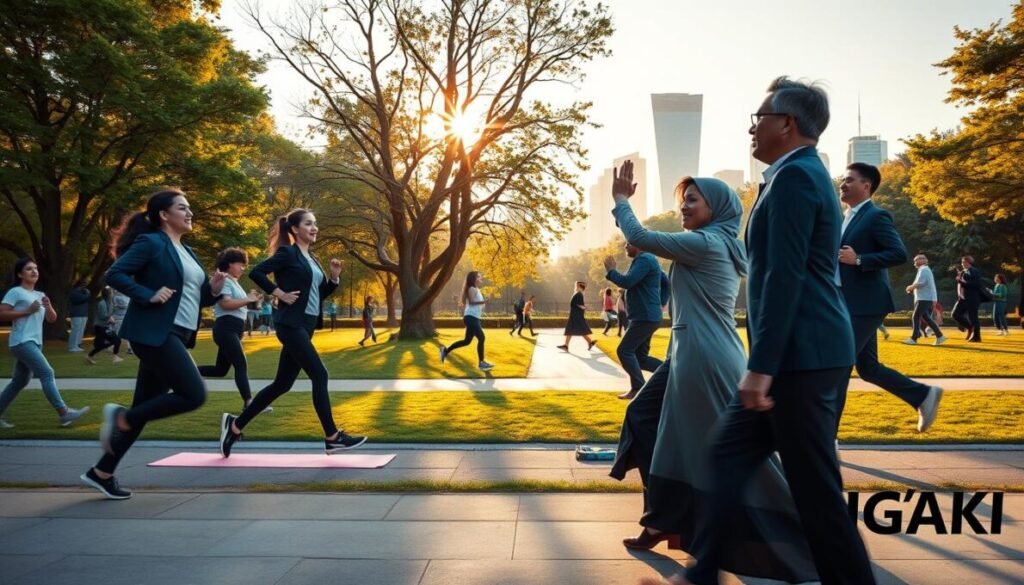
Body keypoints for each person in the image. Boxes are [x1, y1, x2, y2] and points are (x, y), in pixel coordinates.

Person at [643, 78, 877, 585]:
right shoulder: (790, 175)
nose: (753, 127)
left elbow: (784, 279)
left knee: (814, 494)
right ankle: (702, 574)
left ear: (787, 124)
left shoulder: (796, 179)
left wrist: (762, 368)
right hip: (799, 355)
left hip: (803, 358)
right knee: (726, 458)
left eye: (760, 117)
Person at [81, 189, 226, 500]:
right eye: (182, 208)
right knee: (193, 394)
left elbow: (190, 299)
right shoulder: (152, 242)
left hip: (175, 333)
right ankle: (121, 417)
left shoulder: (187, 251)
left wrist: (212, 291)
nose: (190, 213)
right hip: (156, 333)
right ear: (164, 215)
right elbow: (115, 273)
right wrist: (146, 294)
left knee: (147, 406)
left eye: (190, 208)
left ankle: (102, 472)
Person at [219, 208, 364, 458]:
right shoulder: (288, 253)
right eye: (308, 223)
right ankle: (332, 437)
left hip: (305, 325)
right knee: (320, 374)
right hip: (290, 324)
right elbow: (256, 272)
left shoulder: (313, 258)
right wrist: (279, 293)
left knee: (282, 384)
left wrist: (333, 279)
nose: (314, 227)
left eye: (315, 223)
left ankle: (235, 425)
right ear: (295, 229)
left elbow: (316, 296)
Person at [836, 162, 942, 433]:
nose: (843, 184)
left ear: (866, 186)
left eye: (850, 180)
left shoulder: (876, 216)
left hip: (866, 303)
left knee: (836, 366)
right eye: (843, 179)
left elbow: (898, 253)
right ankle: (922, 396)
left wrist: (859, 259)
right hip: (849, 302)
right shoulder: (844, 217)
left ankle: (825, 440)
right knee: (868, 368)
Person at [0, 258, 90, 429]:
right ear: (20, 274)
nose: (34, 271)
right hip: (21, 341)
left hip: (35, 342)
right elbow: (2, 314)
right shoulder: (15, 292)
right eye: (29, 269)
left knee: (19, 381)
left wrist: (48, 306)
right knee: (47, 372)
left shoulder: (40, 295)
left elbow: (52, 319)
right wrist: (27, 311)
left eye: (35, 268)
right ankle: (64, 413)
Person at [197, 248, 264, 411]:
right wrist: (247, 299)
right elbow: (225, 304)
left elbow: (242, 306)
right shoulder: (225, 280)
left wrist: (255, 301)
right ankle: (249, 403)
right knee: (241, 364)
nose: (243, 268)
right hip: (226, 328)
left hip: (235, 329)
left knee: (220, 370)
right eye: (240, 264)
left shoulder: (235, 282)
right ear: (229, 264)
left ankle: (180, 372)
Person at [603, 243, 668, 400]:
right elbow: (666, 282)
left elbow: (627, 282)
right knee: (641, 359)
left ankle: (638, 387)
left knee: (624, 350)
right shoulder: (648, 259)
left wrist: (611, 271)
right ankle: (672, 375)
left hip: (644, 317)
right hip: (646, 316)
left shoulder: (645, 259)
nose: (625, 246)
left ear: (638, 244)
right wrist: (659, 303)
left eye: (628, 243)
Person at [440, 272, 494, 370]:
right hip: (471, 317)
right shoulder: (472, 289)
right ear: (474, 279)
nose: (480, 277)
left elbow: (476, 303)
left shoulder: (476, 289)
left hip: (473, 317)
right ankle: (481, 363)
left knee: (466, 341)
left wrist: (485, 301)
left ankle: (446, 350)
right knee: (481, 338)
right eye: (478, 276)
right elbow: (473, 302)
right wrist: (485, 301)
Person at [904, 254, 946, 345]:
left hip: (924, 298)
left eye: (916, 260)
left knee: (916, 316)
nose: (914, 262)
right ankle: (940, 336)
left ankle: (914, 338)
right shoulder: (923, 270)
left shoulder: (924, 269)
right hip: (924, 298)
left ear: (923, 260)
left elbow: (921, 283)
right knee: (926, 317)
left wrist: (910, 287)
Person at [85, 286, 124, 364]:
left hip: (104, 326)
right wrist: (110, 318)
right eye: (111, 293)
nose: (113, 294)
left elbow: (109, 313)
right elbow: (102, 316)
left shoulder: (110, 302)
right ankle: (115, 357)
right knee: (116, 340)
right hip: (101, 327)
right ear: (108, 294)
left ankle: (89, 356)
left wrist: (111, 317)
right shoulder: (102, 303)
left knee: (101, 345)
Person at [952, 255, 985, 342]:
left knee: (973, 318)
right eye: (962, 262)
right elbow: (962, 283)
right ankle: (970, 327)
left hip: (972, 298)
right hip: (963, 298)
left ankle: (977, 337)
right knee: (955, 314)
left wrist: (961, 281)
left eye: (964, 262)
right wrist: (960, 279)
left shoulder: (973, 271)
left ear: (969, 262)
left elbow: (977, 284)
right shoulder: (963, 271)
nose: (962, 264)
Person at [557, 281, 596, 351]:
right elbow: (579, 305)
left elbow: (580, 305)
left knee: (577, 330)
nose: (575, 287)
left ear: (580, 287)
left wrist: (586, 308)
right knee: (571, 330)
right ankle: (566, 345)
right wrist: (585, 307)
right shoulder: (578, 294)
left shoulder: (579, 294)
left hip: (576, 316)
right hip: (574, 315)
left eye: (577, 286)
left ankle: (590, 342)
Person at [67, 280, 90, 352]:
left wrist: (87, 294)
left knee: (81, 330)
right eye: (83, 285)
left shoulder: (84, 292)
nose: (85, 286)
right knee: (75, 330)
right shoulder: (74, 292)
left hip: (83, 313)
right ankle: (72, 346)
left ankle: (77, 345)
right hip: (76, 313)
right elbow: (79, 299)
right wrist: (87, 295)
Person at [111, 289, 131, 355]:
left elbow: (116, 306)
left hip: (122, 317)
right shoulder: (118, 297)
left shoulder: (121, 297)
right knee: (119, 334)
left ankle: (128, 348)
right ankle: (112, 346)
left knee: (121, 334)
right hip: (121, 318)